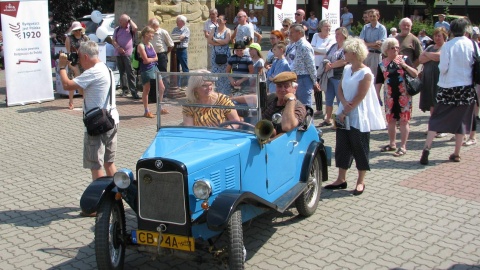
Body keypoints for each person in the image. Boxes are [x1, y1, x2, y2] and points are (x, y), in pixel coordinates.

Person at [324, 37, 385, 196]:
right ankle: (341, 179)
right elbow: (340, 89)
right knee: (342, 146)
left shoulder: (366, 73)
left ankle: (360, 181)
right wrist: (343, 105)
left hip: (358, 115)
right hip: (343, 113)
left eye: (346, 51)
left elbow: (360, 96)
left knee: (360, 147)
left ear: (355, 53)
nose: (343, 53)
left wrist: (346, 110)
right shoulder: (346, 69)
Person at [57, 41, 119, 183]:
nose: (78, 60)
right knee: (109, 163)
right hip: (111, 120)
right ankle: (118, 195)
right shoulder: (105, 68)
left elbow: (67, 85)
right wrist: (76, 71)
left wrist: (62, 67)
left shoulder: (93, 72)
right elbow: (82, 91)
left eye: (79, 57)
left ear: (85, 56)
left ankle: (101, 201)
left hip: (97, 124)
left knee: (96, 164)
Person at [420, 18, 478, 164]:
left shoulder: (448, 46)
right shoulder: (473, 45)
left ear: (451, 30)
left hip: (447, 87)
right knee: (462, 119)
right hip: (466, 87)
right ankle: (456, 153)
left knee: (437, 117)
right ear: (466, 30)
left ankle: (427, 148)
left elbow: (443, 68)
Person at [375, 38, 418, 157]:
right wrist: (376, 95)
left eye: (397, 47)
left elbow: (415, 73)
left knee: (404, 120)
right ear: (386, 50)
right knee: (391, 120)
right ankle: (392, 144)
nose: (395, 50)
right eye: (392, 48)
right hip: (389, 96)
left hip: (404, 95)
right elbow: (378, 81)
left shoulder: (404, 59)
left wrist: (405, 66)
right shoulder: (382, 64)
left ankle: (403, 146)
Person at [419, 27, 447, 138]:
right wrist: (431, 56)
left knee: (439, 103)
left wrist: (428, 55)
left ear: (444, 36)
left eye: (439, 35)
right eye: (435, 35)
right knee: (431, 102)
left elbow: (438, 57)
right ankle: (434, 127)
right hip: (428, 79)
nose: (436, 37)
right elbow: (421, 59)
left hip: (440, 79)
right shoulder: (430, 47)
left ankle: (441, 128)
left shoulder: (446, 47)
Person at [317, 27, 348, 127]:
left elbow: (344, 61)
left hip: (339, 76)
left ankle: (340, 121)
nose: (336, 36)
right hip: (329, 76)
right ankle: (328, 119)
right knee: (328, 98)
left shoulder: (347, 47)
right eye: (336, 34)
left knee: (340, 99)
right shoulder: (333, 46)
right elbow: (326, 56)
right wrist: (327, 64)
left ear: (344, 35)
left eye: (338, 34)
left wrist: (330, 66)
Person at [137, 26, 167, 118]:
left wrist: (152, 59)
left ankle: (160, 108)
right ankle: (146, 110)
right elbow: (145, 60)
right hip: (146, 69)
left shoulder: (151, 44)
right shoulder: (141, 46)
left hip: (154, 68)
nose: (153, 35)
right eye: (151, 34)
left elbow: (156, 57)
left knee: (162, 87)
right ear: (146, 34)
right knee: (147, 89)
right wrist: (153, 59)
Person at [288, 24, 319, 106]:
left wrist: (314, 81)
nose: (289, 35)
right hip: (297, 78)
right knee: (298, 105)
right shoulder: (296, 45)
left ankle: (308, 119)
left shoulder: (304, 46)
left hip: (304, 78)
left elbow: (311, 65)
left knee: (305, 105)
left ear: (299, 33)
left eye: (291, 32)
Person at [360, 9, 387, 100]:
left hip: (376, 55)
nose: (371, 18)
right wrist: (373, 44)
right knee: (364, 75)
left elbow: (381, 45)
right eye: (370, 16)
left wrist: (367, 44)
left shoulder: (381, 28)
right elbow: (361, 42)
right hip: (366, 54)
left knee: (374, 77)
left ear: (378, 17)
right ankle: (365, 95)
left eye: (373, 16)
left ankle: (374, 97)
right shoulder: (365, 27)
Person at [112, 14, 140, 99]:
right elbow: (113, 40)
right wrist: (118, 48)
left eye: (121, 21)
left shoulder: (130, 28)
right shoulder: (117, 29)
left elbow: (136, 28)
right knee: (122, 72)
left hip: (128, 54)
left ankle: (133, 91)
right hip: (119, 53)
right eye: (119, 21)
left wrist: (129, 20)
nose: (119, 22)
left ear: (126, 21)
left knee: (130, 72)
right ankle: (124, 89)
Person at [311, 20, 334, 116]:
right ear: (321, 27)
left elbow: (328, 50)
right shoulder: (316, 35)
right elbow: (311, 49)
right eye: (325, 26)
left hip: (326, 65)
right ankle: (319, 109)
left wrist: (317, 50)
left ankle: (328, 110)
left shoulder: (332, 38)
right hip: (316, 65)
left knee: (327, 87)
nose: (327, 28)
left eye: (329, 26)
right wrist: (322, 51)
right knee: (316, 87)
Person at [64, 21, 89, 110]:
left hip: (83, 61)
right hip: (74, 61)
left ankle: (85, 101)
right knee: (72, 81)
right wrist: (69, 59)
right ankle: (71, 101)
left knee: (84, 82)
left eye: (79, 30)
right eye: (76, 30)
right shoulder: (69, 38)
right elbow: (68, 51)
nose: (78, 32)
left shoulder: (85, 38)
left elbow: (88, 49)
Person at [208, 14, 231, 95]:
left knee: (225, 75)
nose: (218, 21)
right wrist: (219, 43)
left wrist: (215, 40)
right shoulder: (214, 29)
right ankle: (215, 94)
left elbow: (226, 41)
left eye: (220, 20)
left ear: (225, 21)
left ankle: (225, 95)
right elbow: (209, 41)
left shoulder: (227, 30)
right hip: (215, 55)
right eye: (218, 20)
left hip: (225, 56)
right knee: (215, 75)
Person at [172, 15, 190, 85]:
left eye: (177, 20)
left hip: (182, 50)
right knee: (176, 67)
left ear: (182, 22)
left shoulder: (186, 29)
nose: (176, 22)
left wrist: (177, 37)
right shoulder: (175, 29)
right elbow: (172, 37)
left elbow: (181, 38)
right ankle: (177, 84)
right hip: (175, 50)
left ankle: (186, 83)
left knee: (184, 67)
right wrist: (177, 37)